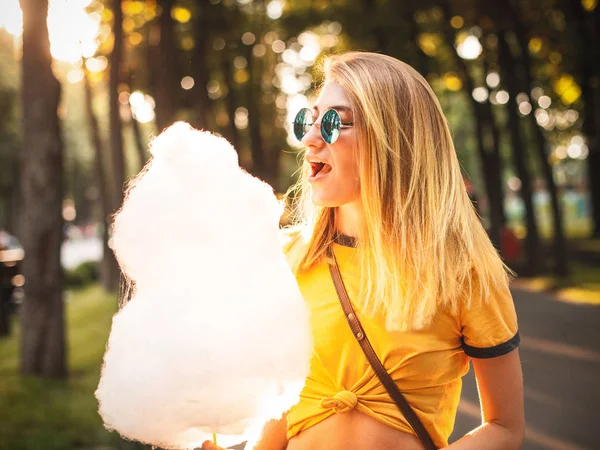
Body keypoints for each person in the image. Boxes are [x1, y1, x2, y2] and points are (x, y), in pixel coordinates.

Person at [203, 51, 524, 450]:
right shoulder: (284, 260)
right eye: (310, 120)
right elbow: (279, 420)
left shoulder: (463, 270)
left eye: (334, 122)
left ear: (394, 138)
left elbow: (505, 427)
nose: (310, 138)